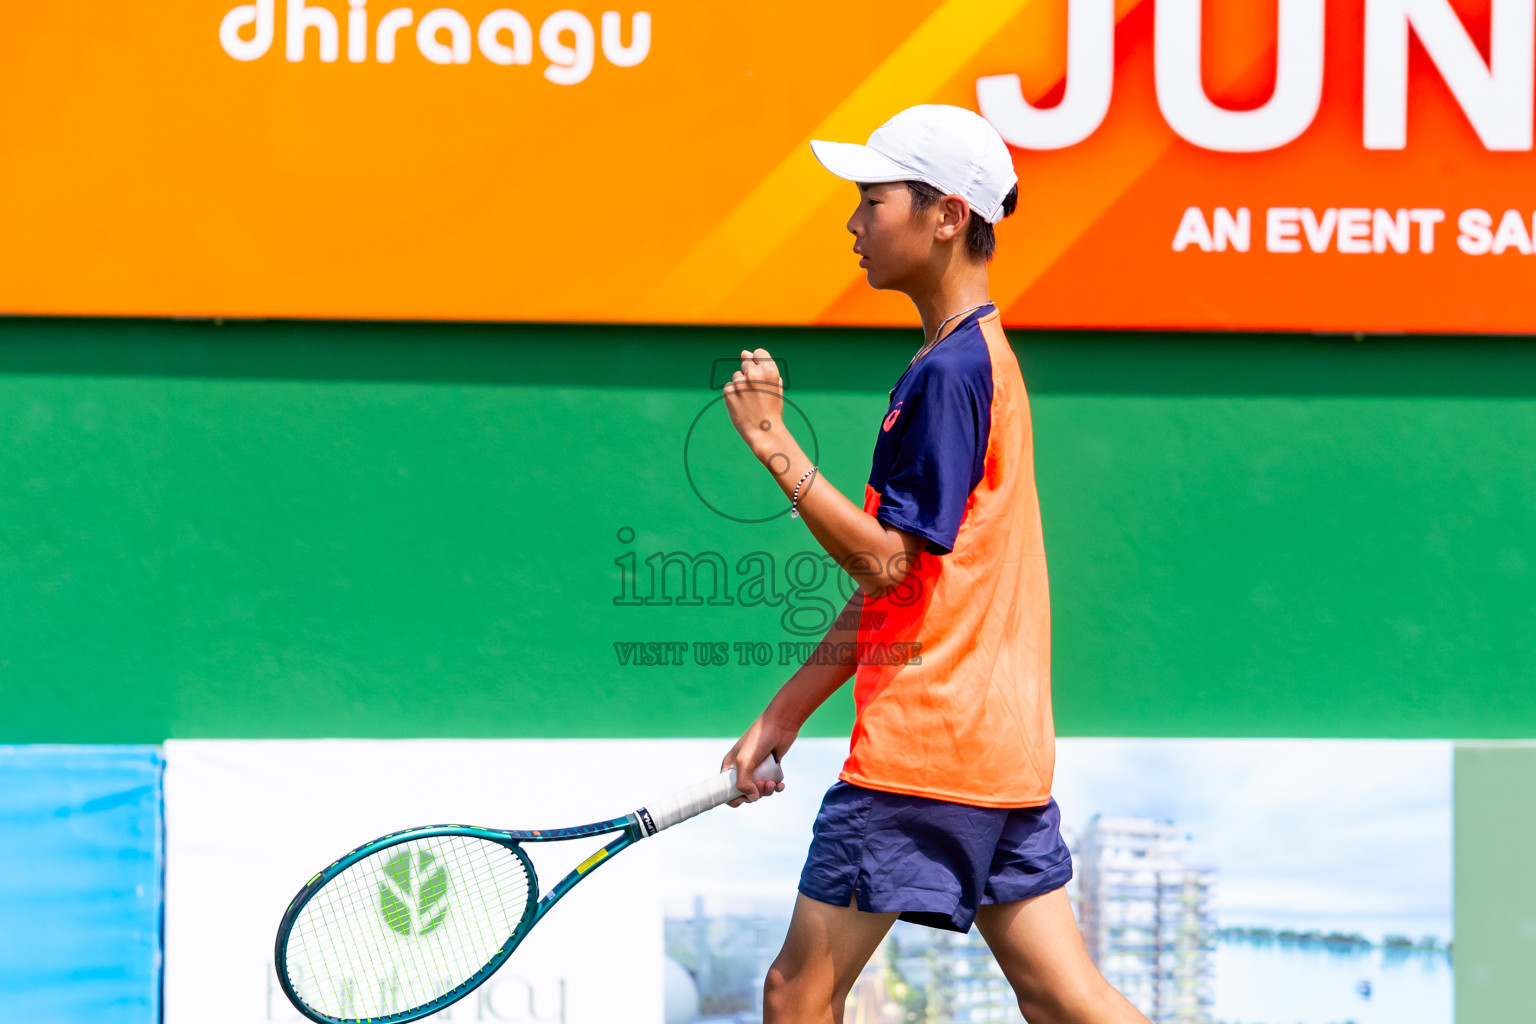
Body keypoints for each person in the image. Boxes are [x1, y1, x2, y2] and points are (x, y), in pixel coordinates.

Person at [717, 105, 1150, 1024]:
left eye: (873, 200)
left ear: (947, 215)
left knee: (799, 994)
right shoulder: (972, 362)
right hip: (1001, 756)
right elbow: (907, 588)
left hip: (925, 754)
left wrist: (773, 447)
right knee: (1066, 1000)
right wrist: (782, 715)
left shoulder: (952, 373)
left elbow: (880, 567)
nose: (854, 223)